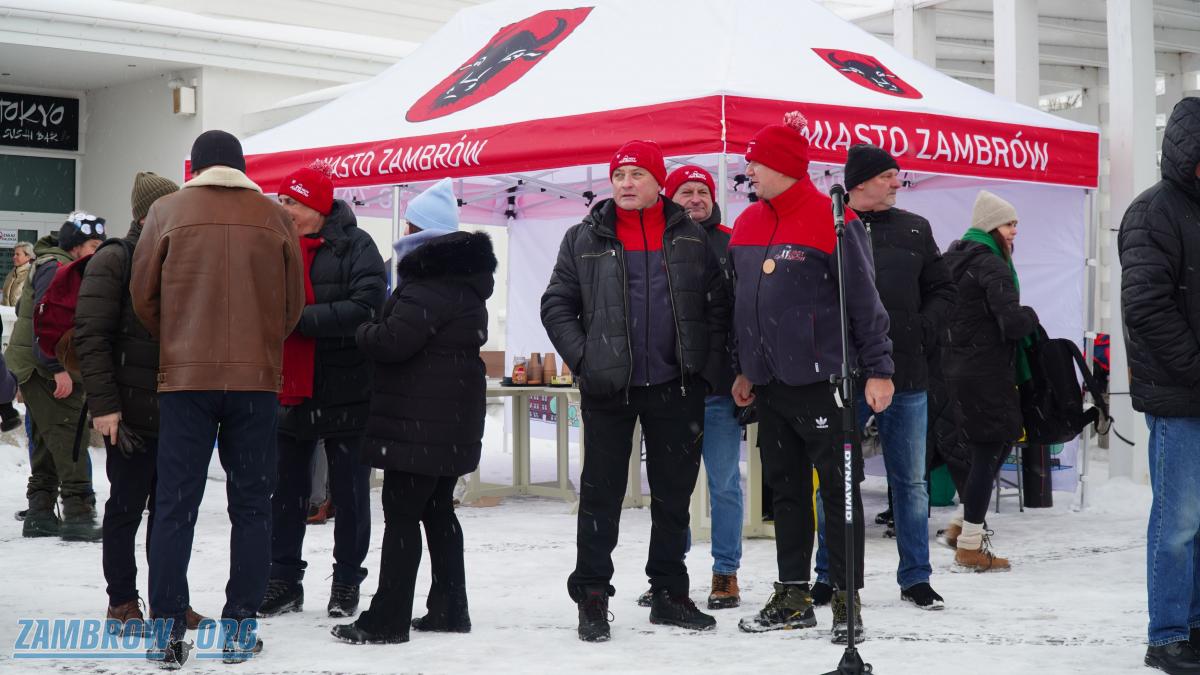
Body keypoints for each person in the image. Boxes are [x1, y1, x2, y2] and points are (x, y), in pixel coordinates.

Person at [541, 140, 730, 642]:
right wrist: (586, 359)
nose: (626, 183)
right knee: (600, 496)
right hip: (609, 389)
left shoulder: (690, 236)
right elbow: (556, 303)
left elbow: (717, 307)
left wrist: (704, 368)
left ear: (657, 181)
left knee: (673, 497)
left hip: (676, 387)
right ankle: (592, 596)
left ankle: (668, 593)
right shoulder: (582, 237)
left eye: (637, 174)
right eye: (619, 175)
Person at [131, 130, 304, 667]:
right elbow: (293, 305)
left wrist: (179, 338)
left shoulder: (165, 212)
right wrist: (261, 345)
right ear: (242, 167)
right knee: (252, 505)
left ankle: (166, 630)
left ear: (197, 168)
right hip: (255, 382)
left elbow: (143, 296)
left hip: (186, 380)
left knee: (174, 505)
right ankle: (240, 626)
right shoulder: (275, 217)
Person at [728, 113, 893, 643]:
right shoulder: (747, 222)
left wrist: (880, 369)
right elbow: (741, 305)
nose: (749, 170)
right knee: (786, 492)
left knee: (840, 496)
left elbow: (865, 301)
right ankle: (794, 596)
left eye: (756, 162)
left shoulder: (835, 219)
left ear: (782, 166)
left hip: (826, 382)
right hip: (770, 384)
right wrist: (743, 367)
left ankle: (847, 600)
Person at [332, 178, 495, 645]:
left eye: (408, 224)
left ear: (419, 233)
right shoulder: (465, 284)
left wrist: (363, 329)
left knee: (402, 515)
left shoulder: (426, 286)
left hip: (419, 423)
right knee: (438, 512)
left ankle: (386, 619)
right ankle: (449, 608)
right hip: (449, 420)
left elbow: (392, 342)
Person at [810, 145, 955, 611]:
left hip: (906, 375)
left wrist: (920, 329)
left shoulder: (915, 228)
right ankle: (828, 574)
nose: (897, 183)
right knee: (835, 480)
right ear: (860, 182)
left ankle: (916, 578)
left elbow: (943, 289)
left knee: (910, 482)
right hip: (843, 377)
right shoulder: (829, 225)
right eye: (888, 176)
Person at [74, 172, 212, 634]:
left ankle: (169, 599)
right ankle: (122, 600)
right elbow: (91, 337)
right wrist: (104, 406)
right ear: (147, 213)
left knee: (171, 513)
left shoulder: (182, 254)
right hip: (129, 414)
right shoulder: (115, 258)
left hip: (178, 410)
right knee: (126, 509)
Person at [259, 161, 386, 620]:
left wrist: (299, 321)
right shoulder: (274, 245)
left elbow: (367, 306)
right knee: (285, 493)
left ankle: (347, 581)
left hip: (347, 387)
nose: (283, 209)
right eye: (281, 201)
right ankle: (283, 580)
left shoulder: (357, 245)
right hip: (290, 388)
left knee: (349, 494)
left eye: (291, 202)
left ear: (317, 206)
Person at [637, 164, 744, 611]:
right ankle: (668, 570)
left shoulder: (733, 241)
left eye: (703, 191)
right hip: (672, 388)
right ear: (671, 196)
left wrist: (743, 371)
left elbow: (743, 312)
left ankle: (726, 573)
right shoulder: (657, 238)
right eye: (686, 191)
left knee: (724, 484)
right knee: (670, 487)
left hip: (719, 389)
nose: (696, 198)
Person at [1118, 96, 1200, 674]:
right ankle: (1167, 634)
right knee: (1178, 521)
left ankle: (1193, 626)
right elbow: (1146, 307)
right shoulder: (1153, 211)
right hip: (1177, 396)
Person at [939, 190, 1037, 573]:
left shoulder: (952, 259)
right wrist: (1031, 315)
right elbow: (1012, 323)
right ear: (991, 226)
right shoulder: (992, 265)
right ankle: (970, 545)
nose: (1015, 231)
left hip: (953, 370)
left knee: (991, 447)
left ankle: (961, 525)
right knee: (988, 450)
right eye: (1009, 224)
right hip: (987, 372)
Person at [7, 212, 107, 540]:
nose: (98, 252)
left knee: (47, 440)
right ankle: (78, 514)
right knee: (69, 436)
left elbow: (25, 308)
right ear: (76, 245)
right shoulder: (58, 267)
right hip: (45, 368)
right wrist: (57, 368)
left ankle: (40, 513)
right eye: (94, 245)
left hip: (32, 366)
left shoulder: (50, 262)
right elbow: (44, 318)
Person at [3, 242, 34, 306]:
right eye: (14, 254)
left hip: (21, 312)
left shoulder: (32, 274)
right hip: (7, 312)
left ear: (28, 257)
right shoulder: (11, 273)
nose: (14, 257)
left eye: (17, 254)